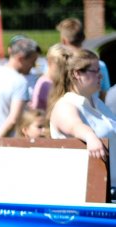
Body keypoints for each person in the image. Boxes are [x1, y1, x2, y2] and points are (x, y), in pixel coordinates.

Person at [49, 48, 116, 189]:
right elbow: (75, 125)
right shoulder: (66, 105)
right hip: (86, 192)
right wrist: (90, 136)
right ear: (77, 74)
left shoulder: (98, 103)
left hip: (109, 188)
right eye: (95, 71)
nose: (101, 76)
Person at [57, 18, 110, 102]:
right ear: (83, 37)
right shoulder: (99, 64)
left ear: (63, 40)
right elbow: (103, 95)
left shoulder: (58, 64)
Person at [30, 44, 69, 113]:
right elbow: (37, 111)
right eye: (60, 65)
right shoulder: (44, 84)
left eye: (67, 64)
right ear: (49, 62)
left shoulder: (66, 80)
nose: (64, 69)